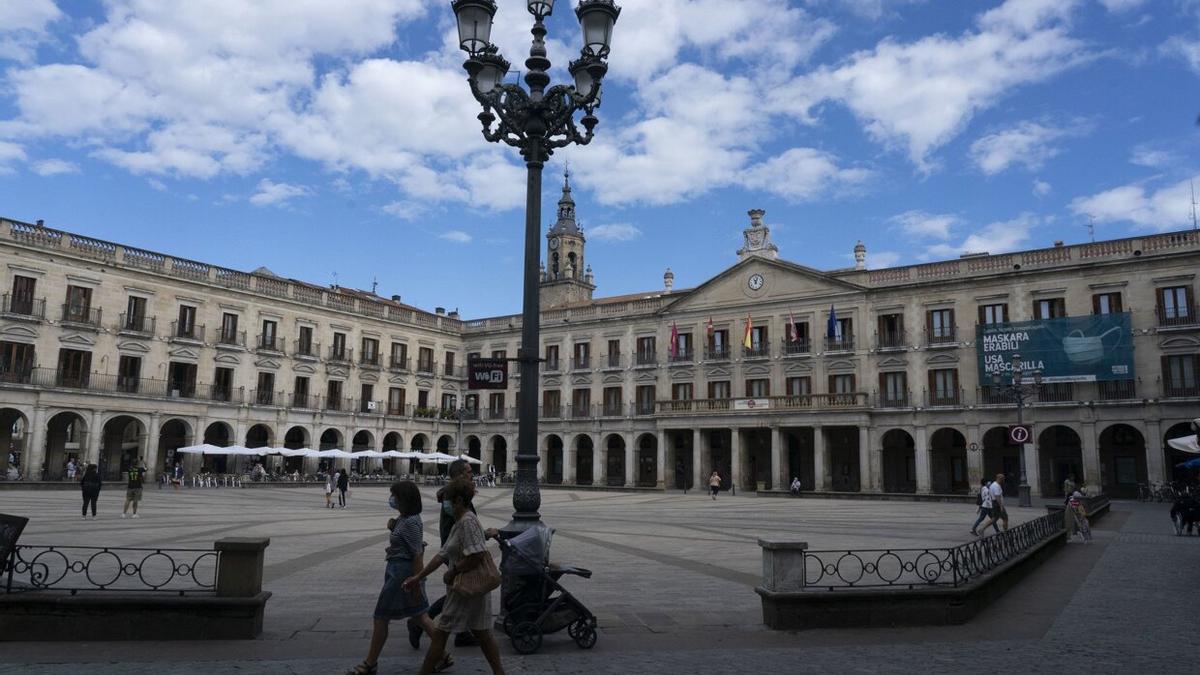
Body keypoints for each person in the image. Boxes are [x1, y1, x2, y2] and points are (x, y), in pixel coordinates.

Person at [403, 479, 505, 675]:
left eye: (447, 501)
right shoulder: (460, 522)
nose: (445, 506)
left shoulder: (468, 521)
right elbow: (442, 554)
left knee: (441, 633)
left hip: (465, 588)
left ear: (458, 500)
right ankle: (499, 673)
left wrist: (453, 571)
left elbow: (476, 555)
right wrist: (419, 576)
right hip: (467, 589)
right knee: (482, 633)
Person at [345, 481, 437, 675]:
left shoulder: (411, 521)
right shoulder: (404, 518)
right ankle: (443, 655)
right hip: (397, 571)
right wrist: (394, 527)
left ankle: (370, 663)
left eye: (394, 495)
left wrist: (418, 582)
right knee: (421, 616)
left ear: (404, 499)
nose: (391, 499)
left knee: (381, 616)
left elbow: (417, 553)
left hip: (402, 576)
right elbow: (405, 542)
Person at [410, 459, 477, 652]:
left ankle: (462, 632)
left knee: (462, 591)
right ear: (459, 474)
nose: (472, 474)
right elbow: (461, 519)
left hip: (458, 547)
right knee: (460, 592)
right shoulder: (453, 496)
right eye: (469, 471)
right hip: (456, 549)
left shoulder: (453, 492)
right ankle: (421, 623)